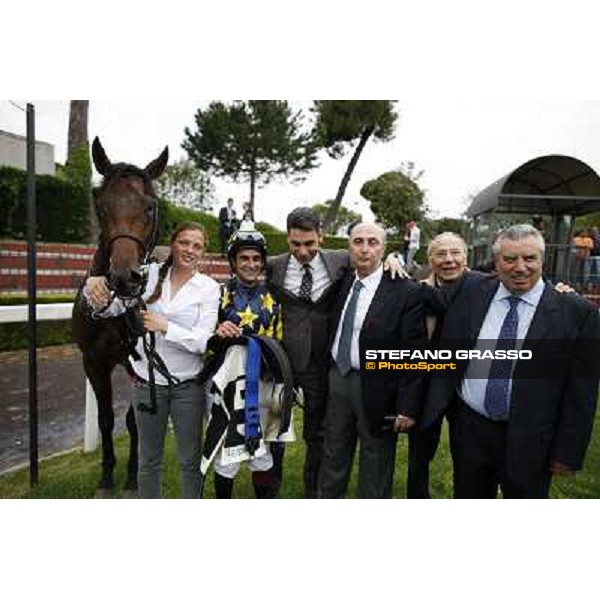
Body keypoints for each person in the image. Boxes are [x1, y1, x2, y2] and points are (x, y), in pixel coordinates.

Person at [420, 224, 600, 499]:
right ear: (496, 262)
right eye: (509, 259)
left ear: (542, 260)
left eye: (529, 259)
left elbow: (581, 392)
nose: (520, 267)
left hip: (532, 436)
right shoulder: (471, 289)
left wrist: (567, 453)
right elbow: (420, 290)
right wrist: (389, 264)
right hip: (470, 428)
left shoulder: (576, 313)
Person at [267, 207, 405, 498]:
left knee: (319, 435)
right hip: (281, 360)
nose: (302, 251)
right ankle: (269, 488)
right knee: (272, 428)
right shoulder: (273, 266)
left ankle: (313, 492)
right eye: (295, 244)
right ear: (287, 239)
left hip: (322, 364)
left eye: (309, 244)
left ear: (322, 237)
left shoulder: (343, 260)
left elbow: (376, 260)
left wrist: (395, 257)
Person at [83, 222, 220, 498]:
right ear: (173, 244)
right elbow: (115, 306)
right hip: (147, 383)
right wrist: (92, 285)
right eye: (184, 242)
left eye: (197, 245)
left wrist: (165, 326)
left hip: (188, 386)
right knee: (148, 461)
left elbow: (203, 342)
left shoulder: (209, 288)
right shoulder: (149, 274)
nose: (189, 250)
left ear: (203, 252)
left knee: (190, 462)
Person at [319, 223, 426, 498]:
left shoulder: (405, 291)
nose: (365, 249)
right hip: (338, 379)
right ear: (348, 247)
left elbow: (414, 353)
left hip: (379, 384)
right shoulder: (342, 279)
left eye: (373, 242)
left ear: (384, 247)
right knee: (333, 450)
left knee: (376, 456)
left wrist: (407, 405)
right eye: (358, 241)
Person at [201, 223, 288, 499]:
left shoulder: (274, 300)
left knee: (263, 453)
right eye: (244, 259)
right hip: (226, 387)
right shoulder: (217, 294)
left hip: (264, 385)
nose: (251, 264)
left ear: (262, 262)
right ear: (233, 262)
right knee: (226, 455)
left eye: (256, 259)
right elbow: (204, 342)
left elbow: (279, 346)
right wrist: (217, 333)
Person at [406, 232, 487, 499]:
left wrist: (560, 290)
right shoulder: (418, 288)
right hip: (427, 381)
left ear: (466, 257)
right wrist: (389, 263)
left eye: (455, 253)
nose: (449, 260)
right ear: (430, 259)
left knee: (467, 455)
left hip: (468, 383)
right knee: (419, 452)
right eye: (441, 254)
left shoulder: (485, 285)